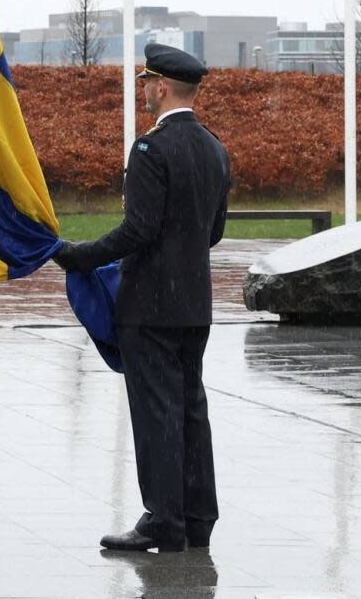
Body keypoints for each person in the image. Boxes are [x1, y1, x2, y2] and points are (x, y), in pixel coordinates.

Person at [52, 42, 231, 553]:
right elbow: (213, 232)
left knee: (157, 413)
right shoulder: (215, 149)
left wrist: (80, 256)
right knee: (191, 410)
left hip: (150, 306)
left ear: (163, 88)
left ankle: (162, 520)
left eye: (147, 82)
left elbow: (139, 230)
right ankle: (197, 518)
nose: (145, 90)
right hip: (194, 305)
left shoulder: (152, 150)